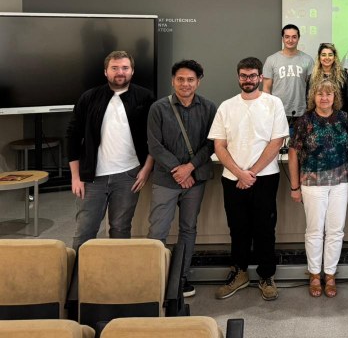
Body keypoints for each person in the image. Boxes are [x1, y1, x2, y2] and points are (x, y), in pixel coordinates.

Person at [209, 57, 290, 302]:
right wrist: (239, 173)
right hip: (232, 179)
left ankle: (266, 276)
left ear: (260, 77)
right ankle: (240, 273)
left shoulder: (274, 103)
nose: (248, 80)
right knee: (238, 228)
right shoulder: (226, 106)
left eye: (253, 75)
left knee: (265, 229)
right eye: (244, 75)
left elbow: (277, 142)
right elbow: (219, 145)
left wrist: (251, 172)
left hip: (264, 178)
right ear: (238, 77)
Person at [67, 50, 155, 250]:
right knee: (85, 231)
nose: (120, 72)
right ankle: (76, 279)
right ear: (106, 72)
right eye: (114, 68)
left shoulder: (145, 97)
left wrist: (146, 168)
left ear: (132, 71)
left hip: (128, 176)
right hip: (92, 177)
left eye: (125, 68)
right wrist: (75, 176)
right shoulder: (89, 98)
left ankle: (117, 278)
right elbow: (72, 136)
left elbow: (155, 137)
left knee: (121, 229)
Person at [147, 59, 216, 298]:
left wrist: (190, 168)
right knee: (158, 230)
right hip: (166, 179)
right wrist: (179, 170)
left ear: (198, 82)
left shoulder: (208, 108)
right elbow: (154, 146)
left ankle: (181, 277)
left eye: (190, 80)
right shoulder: (158, 108)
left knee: (188, 229)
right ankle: (154, 278)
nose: (185, 84)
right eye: (180, 79)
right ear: (172, 81)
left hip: (195, 180)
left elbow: (211, 144)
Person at [287, 80, 348, 298]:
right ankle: (315, 274)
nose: (324, 98)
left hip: (341, 182)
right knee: (315, 230)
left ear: (335, 97)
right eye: (320, 94)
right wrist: (294, 186)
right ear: (313, 97)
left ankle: (330, 274)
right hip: (312, 184)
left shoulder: (343, 118)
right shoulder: (305, 121)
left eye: (329, 94)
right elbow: (293, 154)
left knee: (335, 230)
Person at [264, 24, 314, 126]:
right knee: (279, 142)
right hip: (278, 111)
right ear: (282, 38)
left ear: (298, 38)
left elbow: (312, 88)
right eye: (287, 37)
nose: (290, 40)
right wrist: (268, 110)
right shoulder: (271, 60)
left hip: (301, 112)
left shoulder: (308, 60)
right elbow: (266, 89)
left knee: (299, 142)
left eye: (294, 37)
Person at [308, 42, 348, 129]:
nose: (327, 58)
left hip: (340, 123)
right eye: (323, 55)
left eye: (330, 55)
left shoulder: (343, 76)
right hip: (317, 123)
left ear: (334, 57)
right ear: (319, 57)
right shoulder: (312, 78)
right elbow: (309, 102)